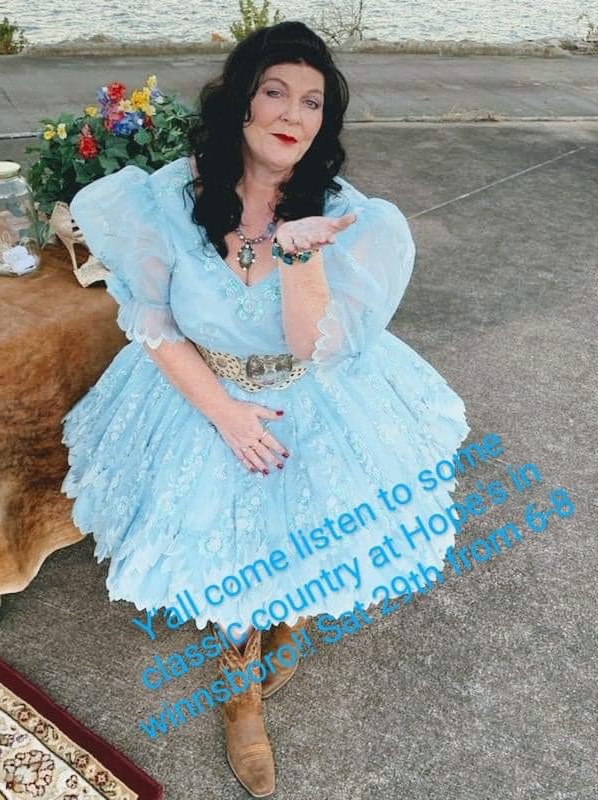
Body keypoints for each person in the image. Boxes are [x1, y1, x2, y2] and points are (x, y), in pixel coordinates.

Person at [61, 20, 469, 798]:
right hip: (200, 388)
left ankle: (290, 616)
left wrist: (300, 257)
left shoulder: (347, 217)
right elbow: (154, 322)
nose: (293, 113)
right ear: (241, 101)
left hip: (310, 388)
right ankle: (239, 694)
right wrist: (224, 413)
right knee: (230, 554)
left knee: (310, 531)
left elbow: (315, 346)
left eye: (313, 102)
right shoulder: (170, 198)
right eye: (275, 91)